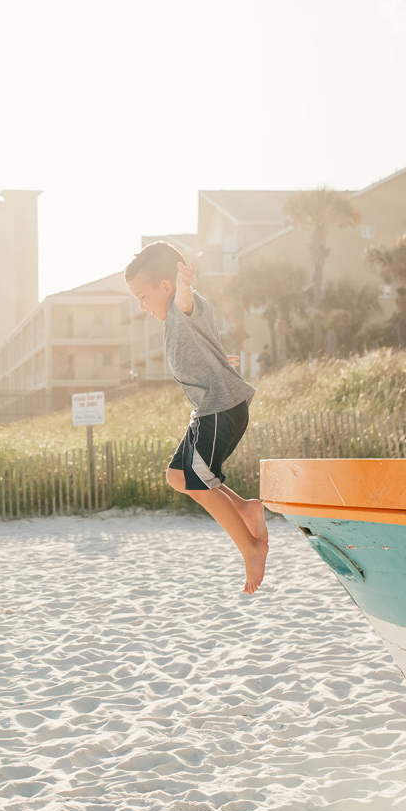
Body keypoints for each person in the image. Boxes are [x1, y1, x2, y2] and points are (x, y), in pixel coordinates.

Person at [125, 241, 270, 593]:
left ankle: (251, 549)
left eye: (143, 297)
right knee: (178, 475)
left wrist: (185, 284)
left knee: (196, 478)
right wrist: (222, 360)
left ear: (165, 287)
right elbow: (204, 343)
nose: (141, 306)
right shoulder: (174, 321)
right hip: (207, 412)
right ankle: (246, 509)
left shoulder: (181, 305)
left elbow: (186, 300)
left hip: (220, 409)